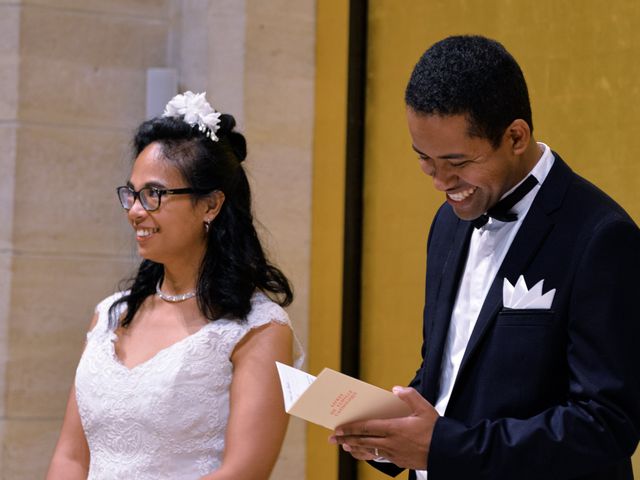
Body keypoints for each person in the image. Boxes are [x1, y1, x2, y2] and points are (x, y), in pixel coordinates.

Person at [331, 35, 640, 479]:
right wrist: (389, 436)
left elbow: (606, 425)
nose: (440, 181)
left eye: (456, 162)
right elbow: (449, 372)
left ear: (516, 136)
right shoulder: (447, 223)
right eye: (425, 160)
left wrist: (444, 448)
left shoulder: (602, 237)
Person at [47, 91, 301, 479]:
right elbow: (71, 458)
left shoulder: (258, 328)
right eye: (132, 193)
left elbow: (244, 471)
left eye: (154, 195)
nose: (135, 211)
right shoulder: (110, 315)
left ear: (211, 205)